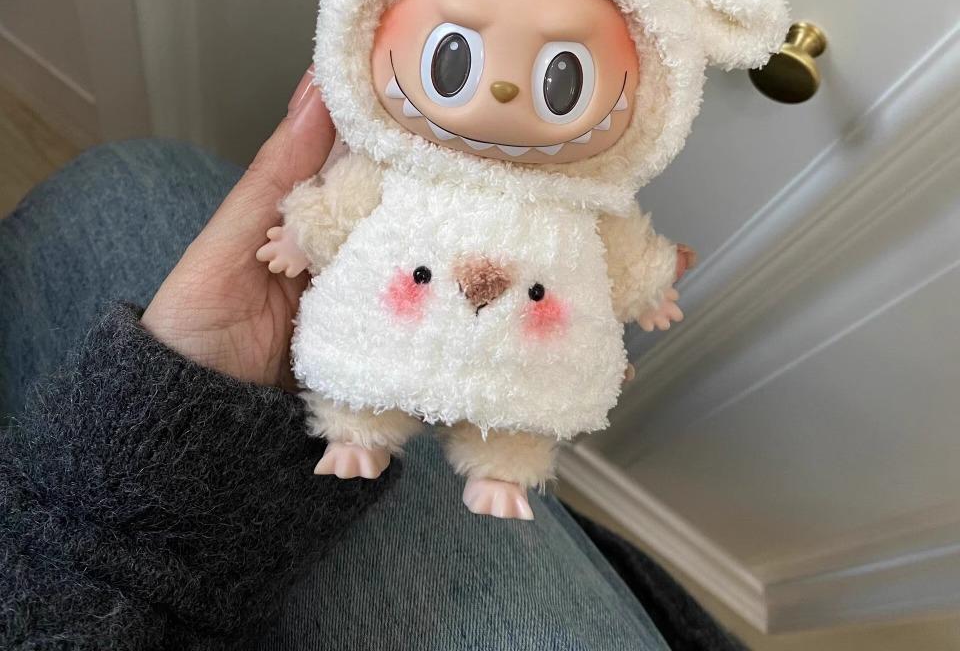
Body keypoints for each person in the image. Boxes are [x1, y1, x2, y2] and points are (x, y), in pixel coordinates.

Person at [0, 69, 672, 650]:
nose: (502, 89)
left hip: (523, 342)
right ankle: (357, 439)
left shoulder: (585, 201)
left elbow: (625, 256)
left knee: (126, 178)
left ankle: (501, 474)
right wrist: (303, 235)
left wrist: (646, 288)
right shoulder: (397, 164)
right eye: (454, 58)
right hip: (393, 323)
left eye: (561, 76)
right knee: (357, 379)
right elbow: (343, 202)